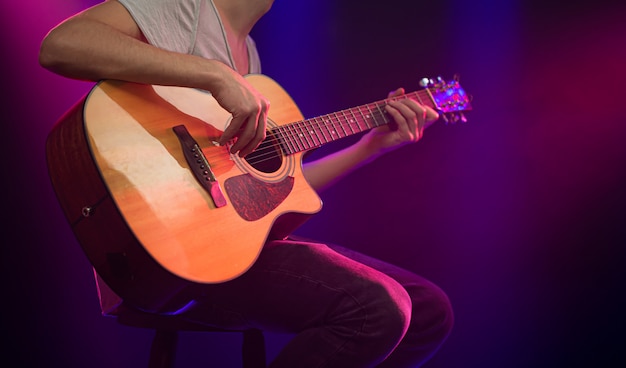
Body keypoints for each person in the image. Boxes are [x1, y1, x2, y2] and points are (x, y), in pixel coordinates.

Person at [39, 0, 453, 367]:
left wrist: (371, 147)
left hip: (222, 247)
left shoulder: (248, 55)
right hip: (163, 251)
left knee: (428, 311)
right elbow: (61, 45)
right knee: (377, 309)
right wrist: (215, 74)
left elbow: (272, 192)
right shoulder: (186, 8)